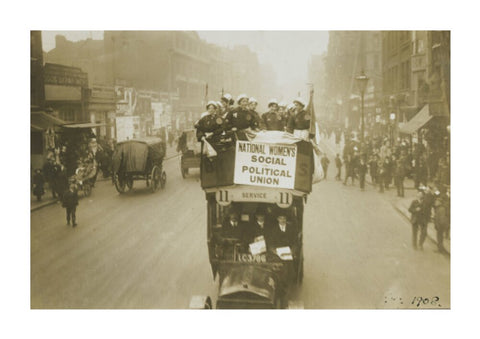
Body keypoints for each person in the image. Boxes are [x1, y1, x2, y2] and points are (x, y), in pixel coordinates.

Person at [433, 188, 448, 254]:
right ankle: (440, 248)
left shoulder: (441, 209)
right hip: (438, 226)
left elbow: (441, 219)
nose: (435, 203)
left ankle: (440, 249)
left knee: (440, 238)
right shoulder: (438, 208)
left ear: (439, 203)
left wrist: (440, 226)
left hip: (440, 227)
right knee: (439, 237)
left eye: (437, 202)